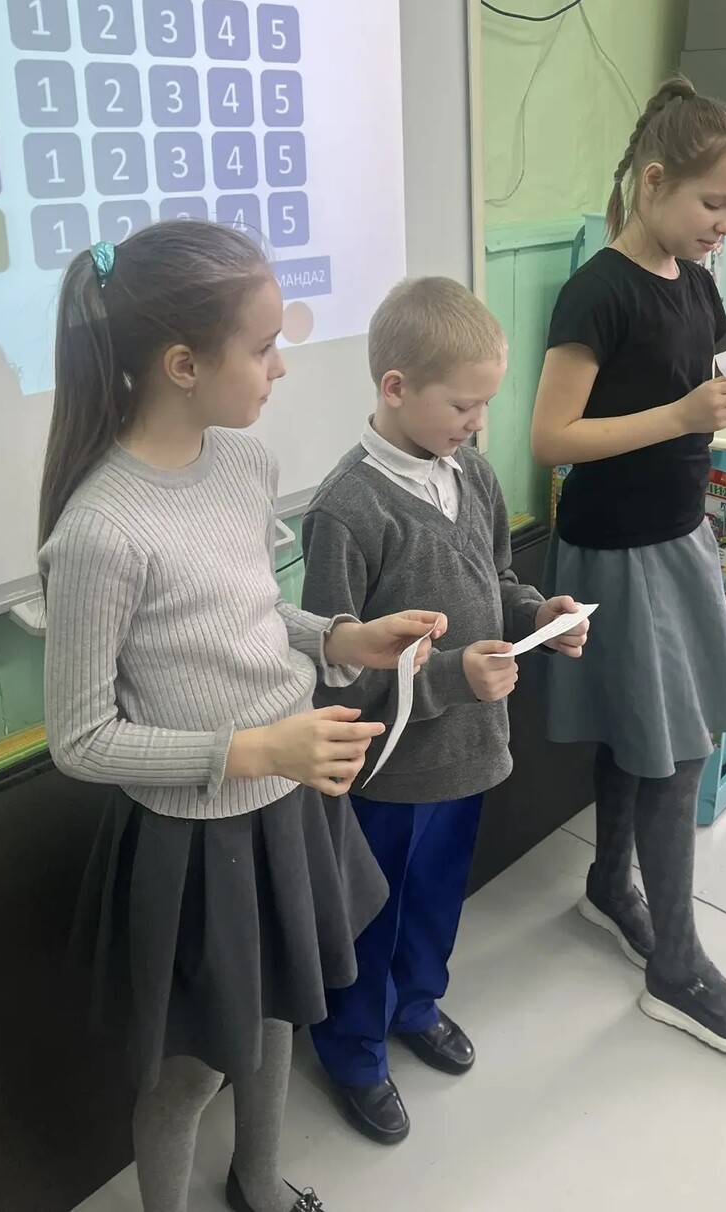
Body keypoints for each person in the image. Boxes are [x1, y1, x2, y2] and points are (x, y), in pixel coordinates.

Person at [38, 222, 448, 1212]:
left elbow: (254, 613)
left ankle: (259, 1186)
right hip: (195, 842)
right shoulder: (100, 531)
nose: (281, 366)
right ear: (183, 365)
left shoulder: (243, 464)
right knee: (189, 1075)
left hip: (285, 806)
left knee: (275, 1022)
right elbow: (81, 739)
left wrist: (344, 639)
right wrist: (260, 746)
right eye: (262, 348)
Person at [300, 277, 589, 1145]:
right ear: (395, 388)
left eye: (485, 404)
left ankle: (416, 1006)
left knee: (433, 901)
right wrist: (455, 678)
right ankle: (354, 1052)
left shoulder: (472, 472)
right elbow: (337, 679)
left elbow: (492, 580)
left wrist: (535, 614)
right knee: (371, 916)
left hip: (467, 754)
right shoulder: (345, 510)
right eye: (463, 405)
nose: (477, 423)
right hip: (388, 777)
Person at [531, 75, 726, 1056]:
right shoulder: (597, 292)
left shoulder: (696, 281)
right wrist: (679, 417)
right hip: (617, 550)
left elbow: (700, 373)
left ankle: (607, 883)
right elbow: (553, 437)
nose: (724, 224)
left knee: (648, 733)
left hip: (679, 537)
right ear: (651, 182)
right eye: (712, 203)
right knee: (673, 753)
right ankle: (674, 970)